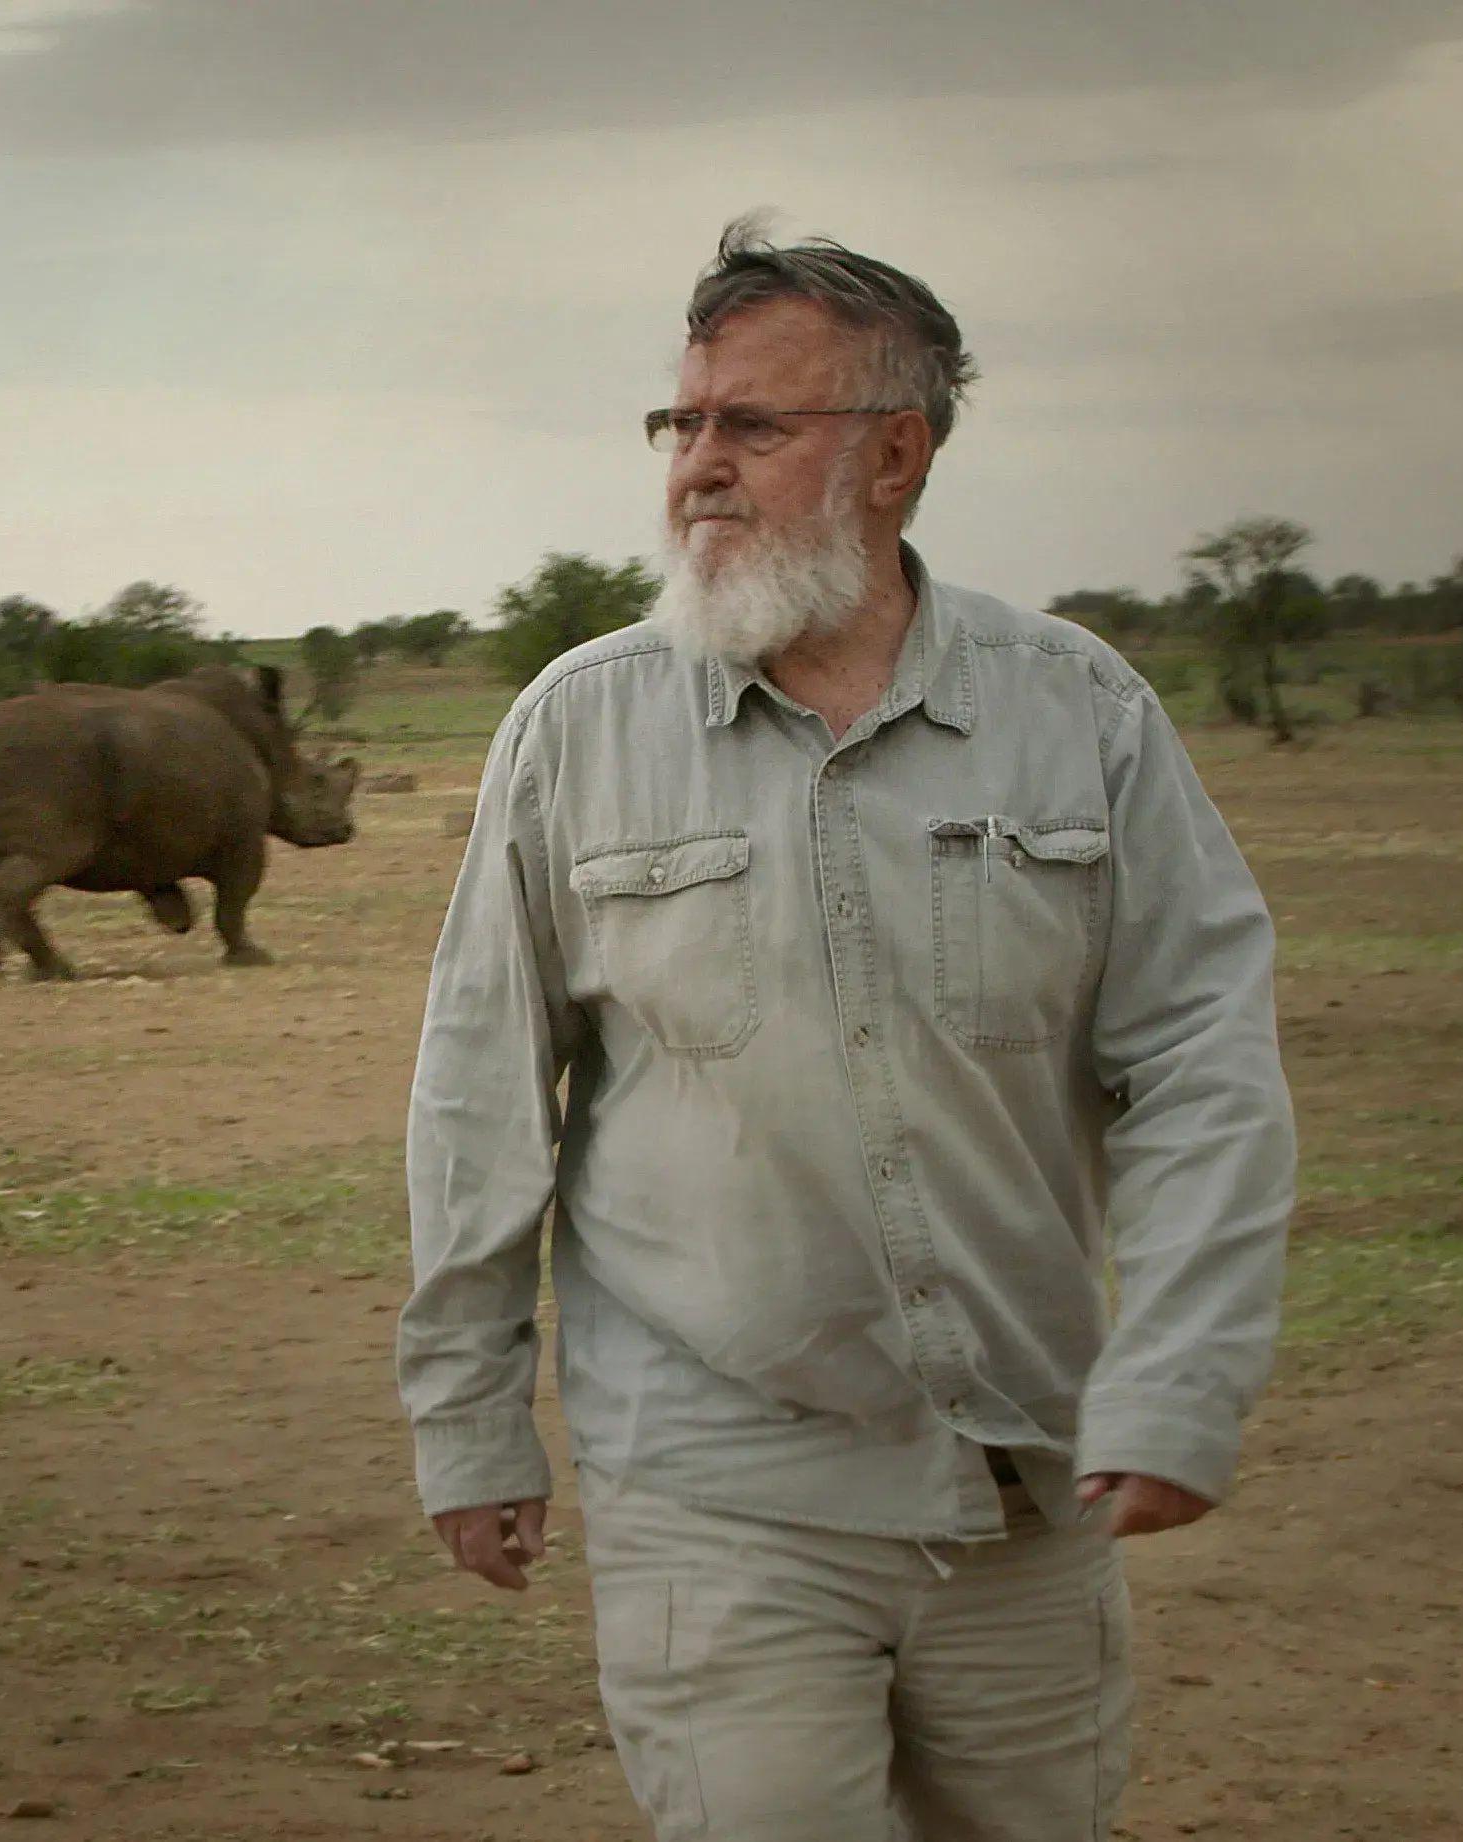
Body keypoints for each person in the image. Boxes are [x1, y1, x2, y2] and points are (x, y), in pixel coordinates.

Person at [397, 217, 1296, 1841]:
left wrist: (1179, 1374)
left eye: (753, 423)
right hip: (715, 1477)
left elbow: (1198, 1063)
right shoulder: (578, 728)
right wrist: (468, 1417)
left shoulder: (1077, 711)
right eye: (681, 421)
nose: (697, 466)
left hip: (1026, 1476)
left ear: (894, 456)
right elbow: (478, 1099)